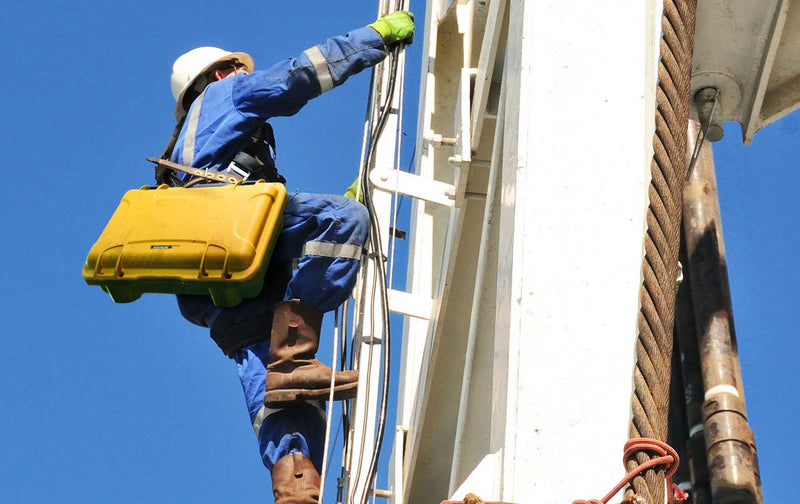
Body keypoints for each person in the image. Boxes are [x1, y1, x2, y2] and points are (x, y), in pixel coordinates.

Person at [159, 11, 414, 504]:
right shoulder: (226, 93)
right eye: (235, 68)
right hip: (231, 225)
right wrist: (372, 40)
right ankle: (294, 355)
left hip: (219, 285)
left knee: (281, 393)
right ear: (218, 72)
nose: (241, 75)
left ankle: (295, 490)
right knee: (344, 220)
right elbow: (298, 74)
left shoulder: (185, 146)